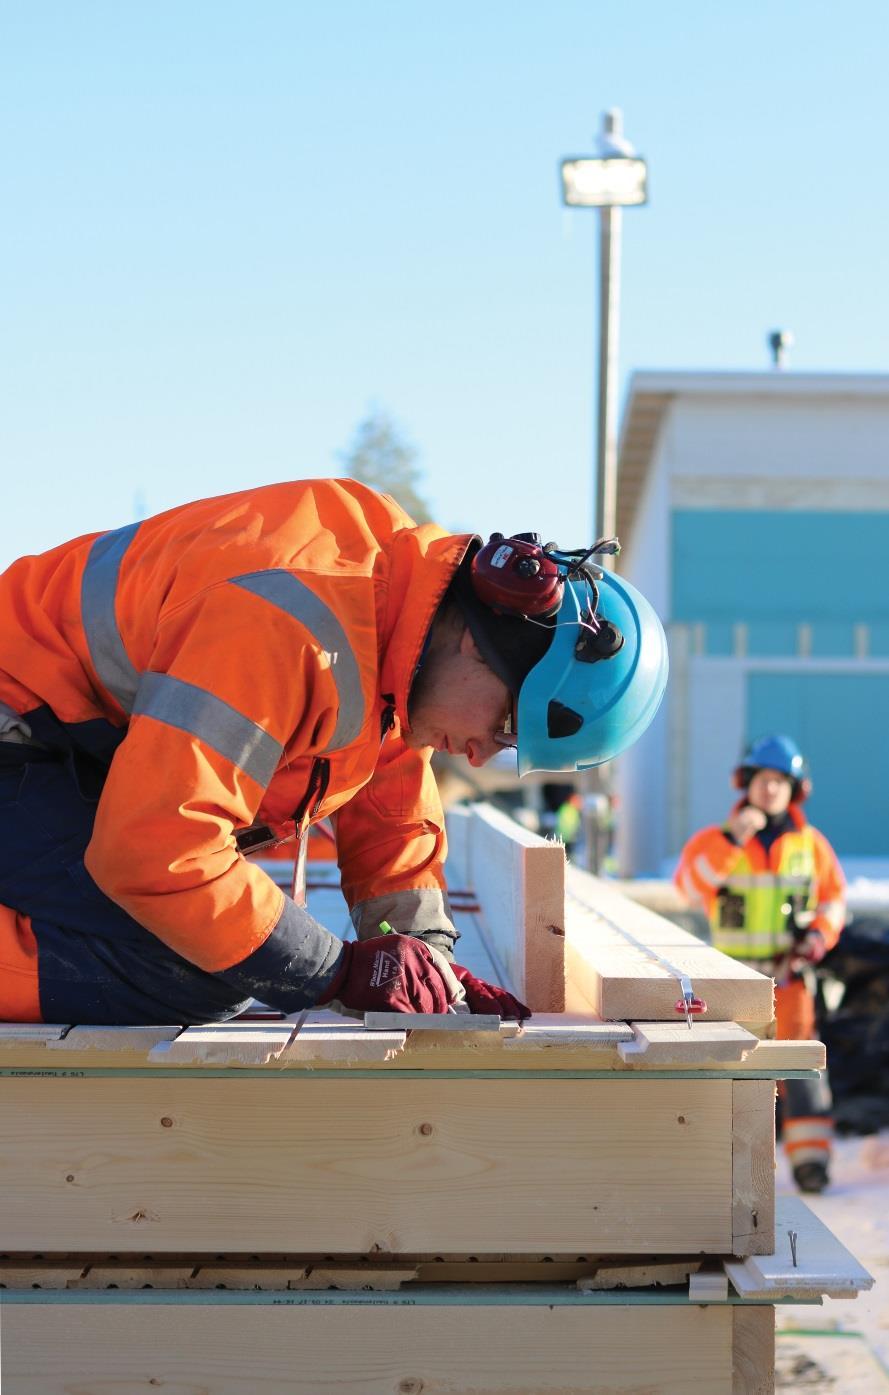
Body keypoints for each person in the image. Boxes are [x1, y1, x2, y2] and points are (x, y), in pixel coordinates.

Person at [0, 479, 668, 1026]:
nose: (480, 755)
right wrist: (336, 971)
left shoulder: (395, 623)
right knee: (204, 963)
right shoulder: (287, 619)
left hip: (60, 748)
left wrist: (424, 957)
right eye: (505, 725)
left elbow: (389, 826)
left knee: (228, 940)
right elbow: (155, 848)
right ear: (480, 645)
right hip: (20, 735)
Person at [674, 734, 846, 1193]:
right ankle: (723, 1168)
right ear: (746, 784)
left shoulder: (811, 845)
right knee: (731, 1074)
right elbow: (690, 887)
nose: (770, 790)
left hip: (789, 981)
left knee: (801, 1070)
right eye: (762, 780)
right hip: (732, 986)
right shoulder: (715, 841)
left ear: (794, 790)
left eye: (779, 782)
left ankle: (811, 1163)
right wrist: (733, 840)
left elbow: (833, 900)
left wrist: (818, 937)